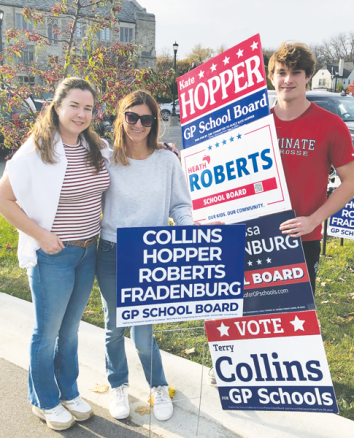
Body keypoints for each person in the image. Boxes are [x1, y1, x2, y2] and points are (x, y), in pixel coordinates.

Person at [0, 77, 112, 431]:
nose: (81, 114)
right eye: (74, 106)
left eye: (88, 108)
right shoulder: (37, 150)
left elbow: (127, 160)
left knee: (71, 330)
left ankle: (69, 390)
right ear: (57, 106)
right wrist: (40, 235)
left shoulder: (96, 146)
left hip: (88, 251)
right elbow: (4, 199)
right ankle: (45, 400)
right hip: (54, 255)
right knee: (46, 333)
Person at [96, 90, 193, 422]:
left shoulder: (167, 160)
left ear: (155, 123)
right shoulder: (106, 158)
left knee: (142, 332)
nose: (138, 124)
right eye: (132, 117)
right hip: (110, 251)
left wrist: (187, 230)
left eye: (146, 119)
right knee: (114, 327)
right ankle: (118, 384)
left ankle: (157, 385)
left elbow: (180, 205)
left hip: (150, 255)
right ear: (121, 117)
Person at [268, 42, 354, 293]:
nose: (288, 79)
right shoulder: (256, 124)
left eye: (296, 72)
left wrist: (314, 220)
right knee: (254, 321)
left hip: (303, 237)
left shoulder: (330, 125)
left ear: (308, 76)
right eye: (281, 72)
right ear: (271, 76)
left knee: (296, 321)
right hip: (255, 237)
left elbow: (351, 182)